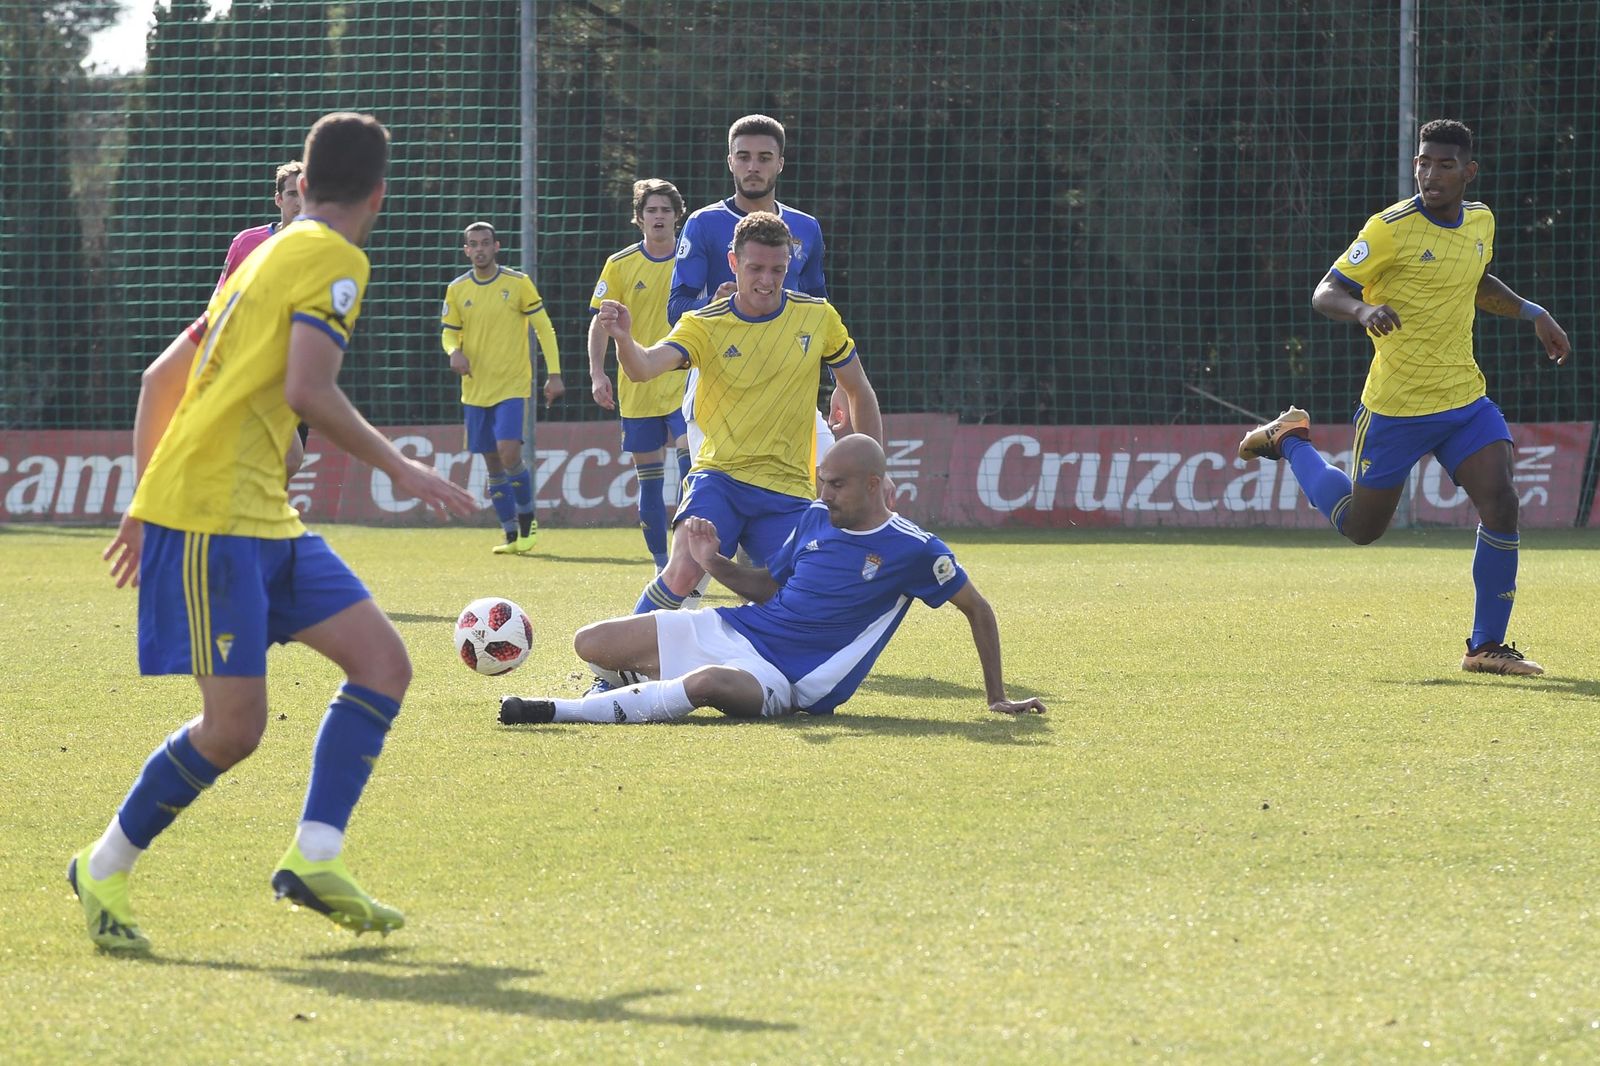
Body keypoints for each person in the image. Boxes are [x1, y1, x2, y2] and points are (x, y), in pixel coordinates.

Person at [77, 112, 478, 952]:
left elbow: (161, 377)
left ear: (305, 177)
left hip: (260, 513)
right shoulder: (335, 256)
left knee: (383, 662)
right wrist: (402, 467)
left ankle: (316, 856)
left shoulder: (264, 252)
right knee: (234, 729)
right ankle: (104, 864)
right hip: (213, 517)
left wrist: (142, 495)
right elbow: (309, 390)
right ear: (379, 193)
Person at [1238, 119, 1572, 676]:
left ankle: (1485, 646)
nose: (1430, 173)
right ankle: (1291, 439)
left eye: (1444, 164)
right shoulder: (1390, 228)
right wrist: (1363, 309)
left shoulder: (1481, 221)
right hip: (1396, 409)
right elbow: (1326, 292)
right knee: (1360, 529)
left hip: (1465, 400)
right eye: (1423, 162)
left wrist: (1532, 313)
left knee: (1502, 500)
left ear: (1469, 172)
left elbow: (1475, 281)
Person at [499, 435, 1047, 724]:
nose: (824, 494)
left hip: (790, 681)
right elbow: (769, 587)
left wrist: (997, 697)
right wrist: (714, 563)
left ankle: (561, 711)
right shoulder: (813, 519)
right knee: (590, 642)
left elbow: (978, 608)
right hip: (737, 628)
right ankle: (618, 685)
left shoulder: (915, 549)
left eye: (836, 485)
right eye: (821, 482)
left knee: (711, 684)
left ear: (874, 485)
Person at [596, 211, 883, 622]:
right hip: (720, 480)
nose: (766, 280)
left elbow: (859, 390)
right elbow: (642, 367)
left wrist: (877, 471)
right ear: (733, 262)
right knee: (685, 571)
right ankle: (612, 669)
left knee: (805, 594)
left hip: (788, 491)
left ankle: (755, 672)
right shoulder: (703, 323)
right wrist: (624, 340)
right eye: (755, 268)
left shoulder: (818, 316)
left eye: (778, 269)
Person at [669, 114, 842, 465]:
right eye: (743, 156)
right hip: (722, 385)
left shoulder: (806, 228)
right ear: (730, 160)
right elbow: (676, 307)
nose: (753, 166)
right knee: (715, 506)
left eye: (764, 158)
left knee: (831, 481)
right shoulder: (704, 223)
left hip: (789, 386)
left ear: (780, 163)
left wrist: (842, 380)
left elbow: (821, 312)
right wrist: (711, 304)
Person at [441, 220, 564, 555]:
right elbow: (449, 332)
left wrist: (554, 374)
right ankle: (511, 535)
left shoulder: (518, 283)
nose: (479, 249)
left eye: (485, 243)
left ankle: (528, 523)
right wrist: (454, 351)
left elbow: (545, 329)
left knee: (509, 452)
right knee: (492, 462)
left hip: (512, 385)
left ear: (496, 247)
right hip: (475, 390)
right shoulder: (457, 289)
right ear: (466, 250)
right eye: (473, 244)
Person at [588, 179, 692, 571]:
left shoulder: (693, 259)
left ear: (677, 215)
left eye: (666, 209)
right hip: (638, 384)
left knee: (691, 469)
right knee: (649, 479)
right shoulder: (620, 264)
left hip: (686, 381)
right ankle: (661, 566)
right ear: (639, 218)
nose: (660, 216)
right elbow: (601, 322)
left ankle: (688, 559)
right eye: (652, 210)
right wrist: (598, 373)